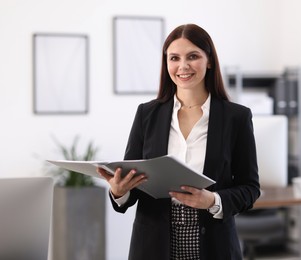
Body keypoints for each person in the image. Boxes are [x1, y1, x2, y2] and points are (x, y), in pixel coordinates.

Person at [98, 23, 261, 260]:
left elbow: (250, 188)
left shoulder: (236, 117)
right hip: (153, 247)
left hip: (214, 247)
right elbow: (131, 183)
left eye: (193, 56)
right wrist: (119, 191)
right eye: (174, 58)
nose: (183, 66)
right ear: (166, 64)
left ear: (209, 61)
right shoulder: (147, 114)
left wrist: (213, 200)